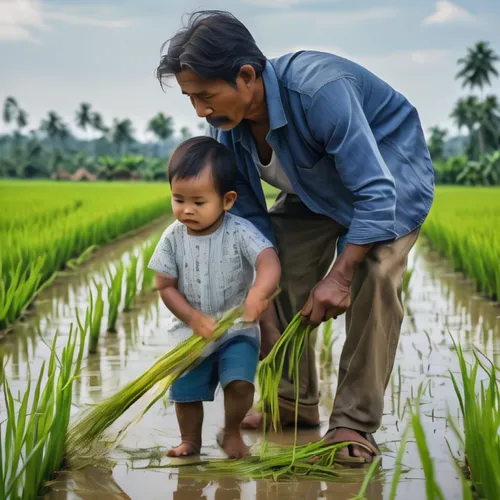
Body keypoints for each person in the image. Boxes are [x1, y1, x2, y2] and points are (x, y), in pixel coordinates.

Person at [155, 10, 435, 464]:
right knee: (276, 261)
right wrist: (262, 306)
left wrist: (340, 275)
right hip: (314, 189)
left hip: (388, 183)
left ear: (246, 75)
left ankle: (353, 424)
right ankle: (294, 402)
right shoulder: (225, 126)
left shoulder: (320, 91)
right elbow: (247, 218)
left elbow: (374, 190)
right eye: (191, 98)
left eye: (206, 95)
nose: (200, 110)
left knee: (376, 275)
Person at [148, 137, 281, 459]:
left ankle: (232, 432)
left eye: (198, 201)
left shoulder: (240, 231)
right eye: (178, 199)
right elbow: (164, 286)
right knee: (186, 393)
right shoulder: (172, 237)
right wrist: (193, 319)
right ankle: (190, 440)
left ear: (227, 200)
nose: (187, 210)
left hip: (237, 328)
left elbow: (268, 260)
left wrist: (258, 294)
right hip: (190, 332)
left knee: (240, 383)